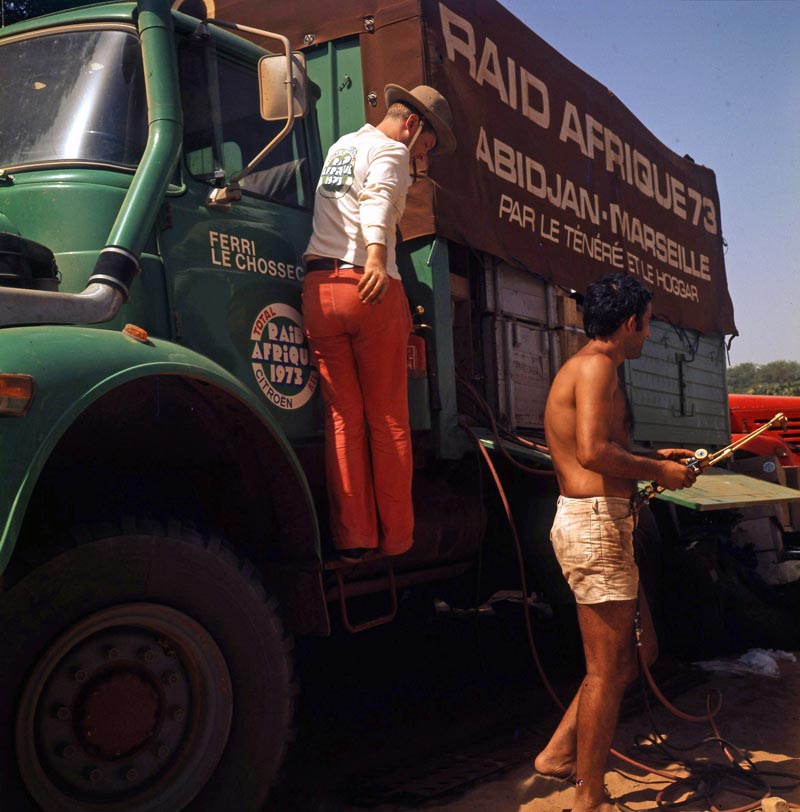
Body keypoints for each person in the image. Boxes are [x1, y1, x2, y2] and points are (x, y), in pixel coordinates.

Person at [535, 273, 697, 812]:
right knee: (607, 668)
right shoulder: (599, 365)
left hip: (604, 523)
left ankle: (558, 756)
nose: (648, 335)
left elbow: (605, 449)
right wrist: (657, 470)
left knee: (638, 652)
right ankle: (588, 797)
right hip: (596, 525)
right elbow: (591, 453)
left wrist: (657, 460)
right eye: (648, 324)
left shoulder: (589, 366)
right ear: (631, 322)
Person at [302, 84, 456, 562]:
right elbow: (381, 201)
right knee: (388, 421)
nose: (420, 157)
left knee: (341, 421)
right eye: (426, 146)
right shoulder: (391, 150)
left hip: (319, 290)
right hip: (368, 287)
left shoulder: (341, 147)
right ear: (412, 124)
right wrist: (374, 256)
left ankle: (354, 538)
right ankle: (396, 539)